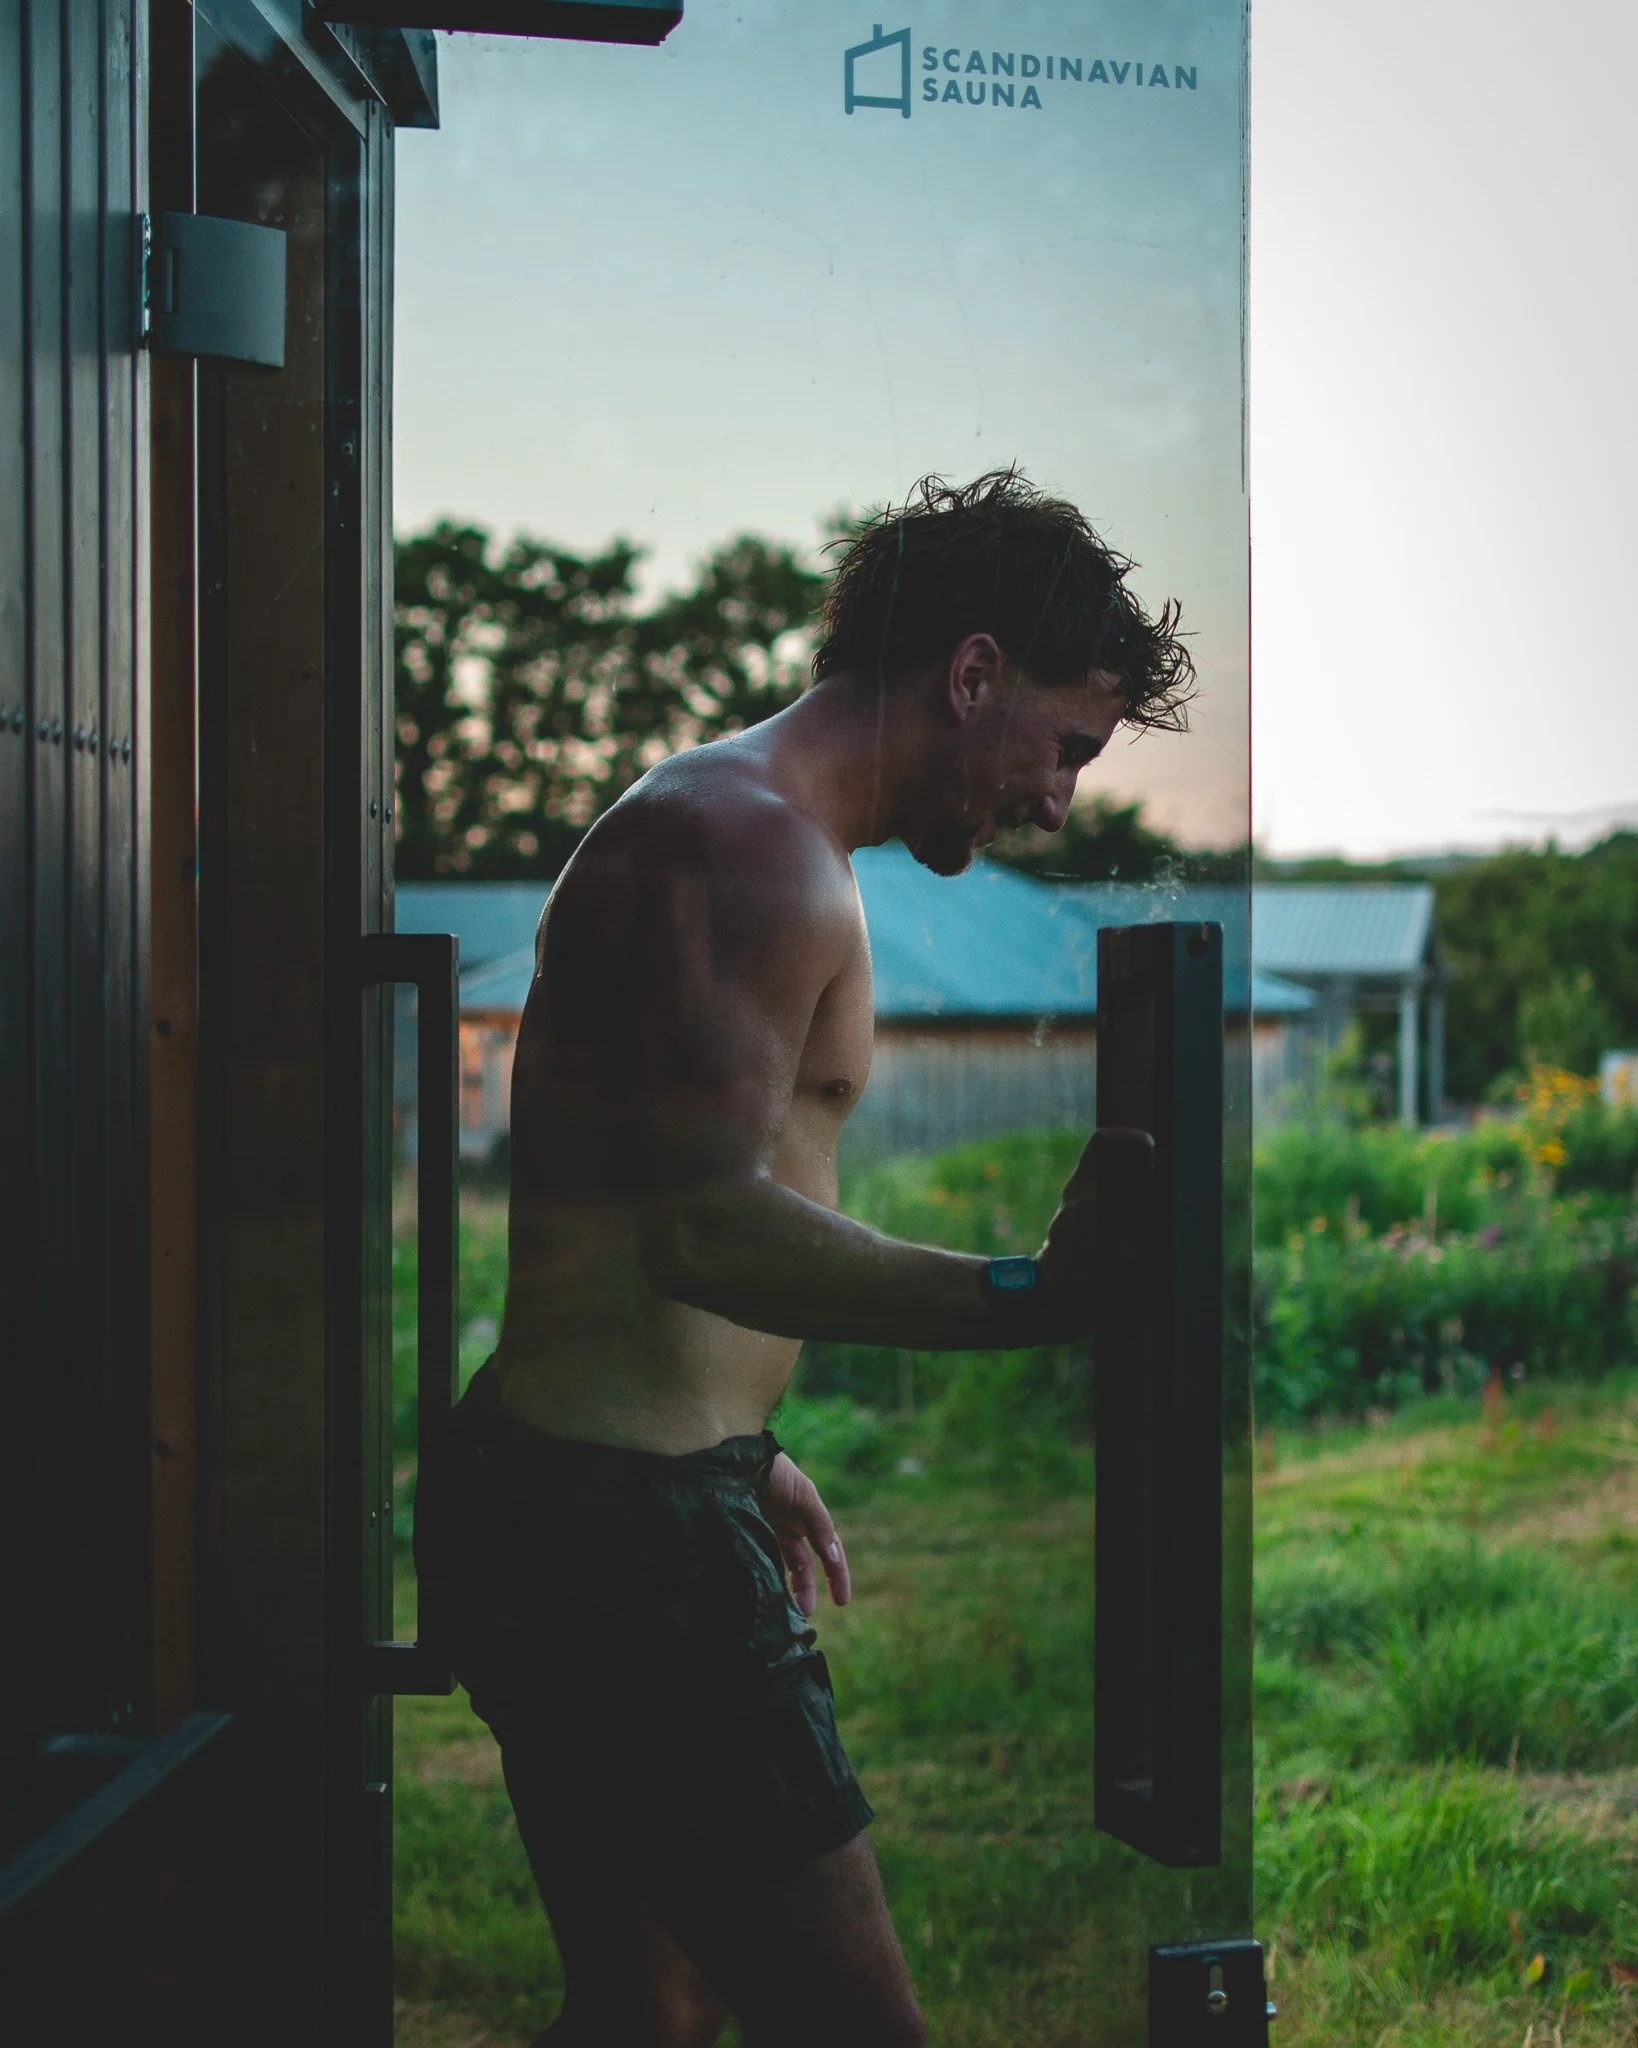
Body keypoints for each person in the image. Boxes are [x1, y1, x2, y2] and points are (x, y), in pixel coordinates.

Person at [415, 469, 1195, 2047]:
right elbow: (699, 1222)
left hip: (585, 1479)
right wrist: (1025, 1297)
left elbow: (632, 1211)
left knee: (652, 2014)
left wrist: (729, 1439)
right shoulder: (748, 849)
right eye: (1062, 746)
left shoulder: (729, 826)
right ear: (971, 674)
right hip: (626, 1543)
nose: (1055, 800)